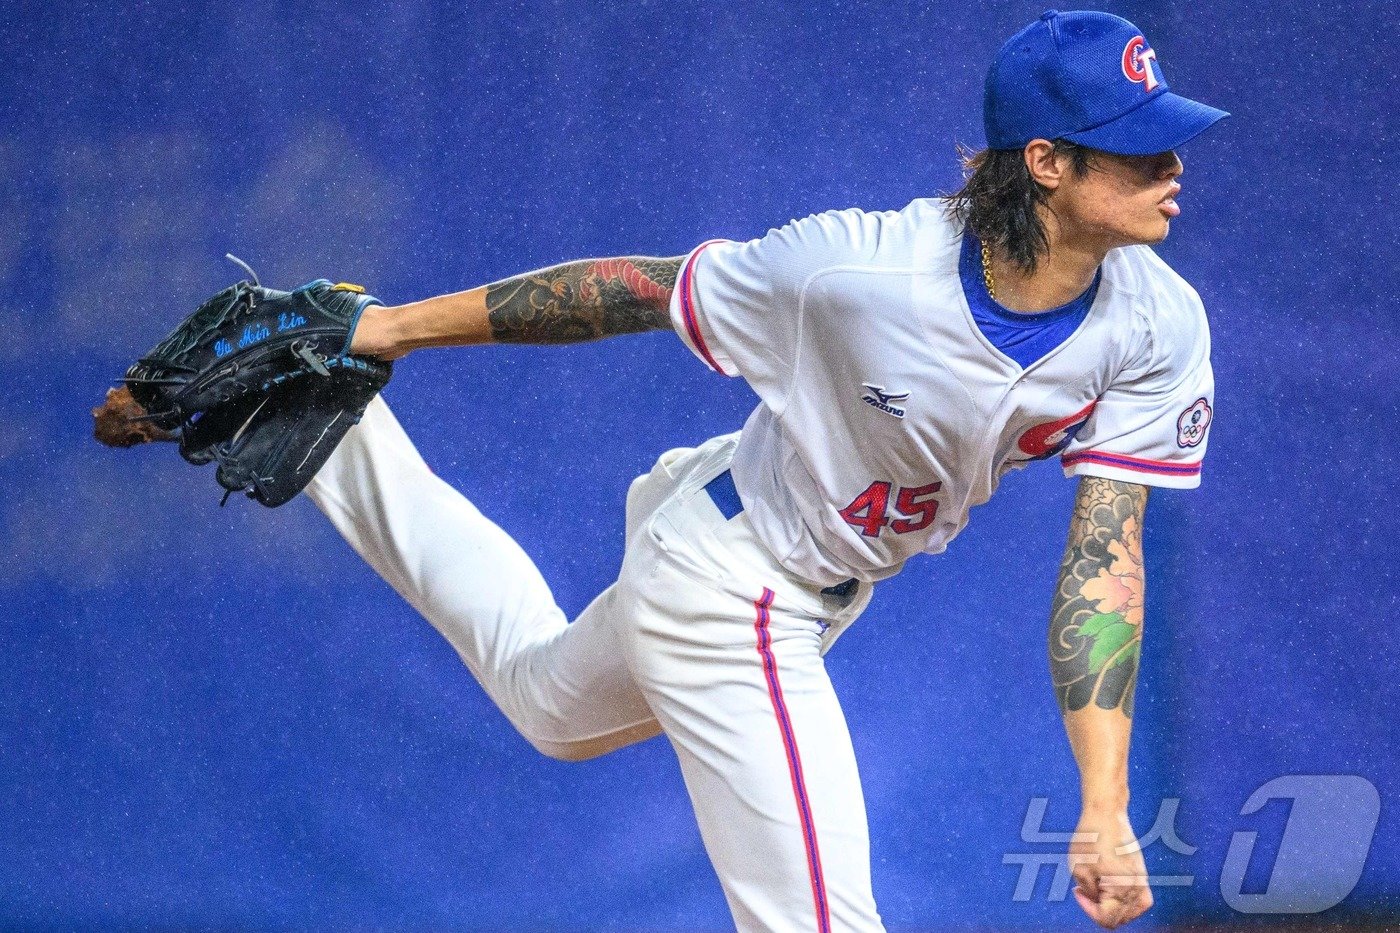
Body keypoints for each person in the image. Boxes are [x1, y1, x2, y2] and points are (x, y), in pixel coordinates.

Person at [312, 10, 1226, 931]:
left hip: (769, 558)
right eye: (1140, 149)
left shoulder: (1159, 323)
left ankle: (333, 435)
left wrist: (1105, 803)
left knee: (544, 700)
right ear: (1045, 163)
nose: (1173, 166)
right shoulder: (859, 271)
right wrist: (391, 329)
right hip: (736, 587)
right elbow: (639, 290)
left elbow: (1102, 566)